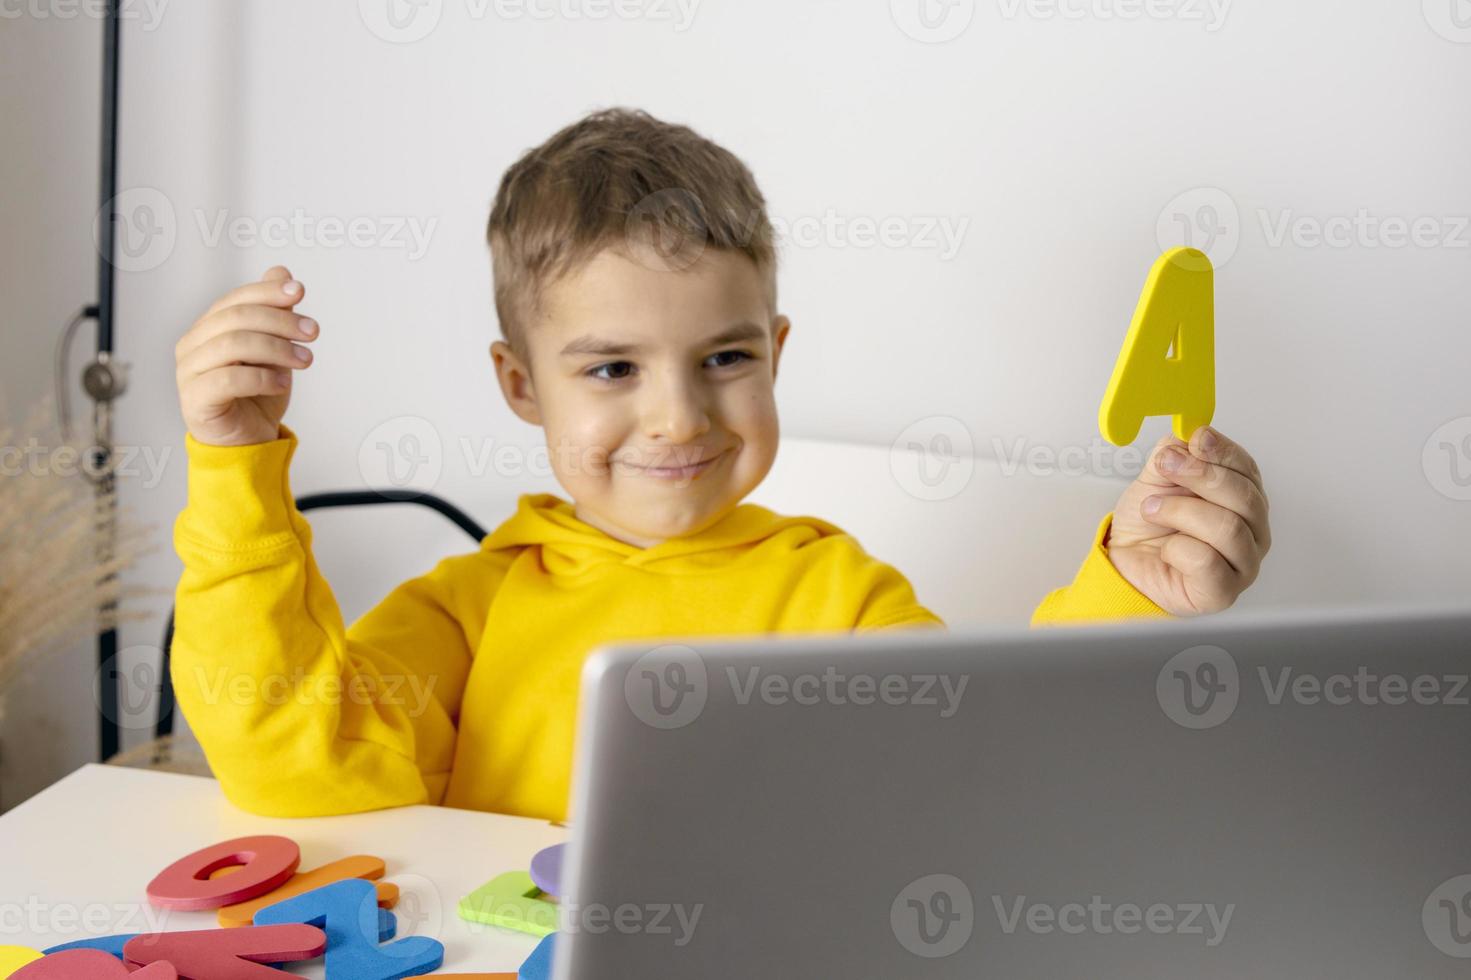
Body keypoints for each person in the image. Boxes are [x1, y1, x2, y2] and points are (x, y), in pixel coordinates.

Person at [170, 108, 1270, 820]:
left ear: (775, 352)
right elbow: (289, 760)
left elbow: (989, 778)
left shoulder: (836, 597)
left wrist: (1128, 592)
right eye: (609, 369)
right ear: (519, 384)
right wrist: (234, 465)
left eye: (724, 357)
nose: (677, 417)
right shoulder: (471, 609)